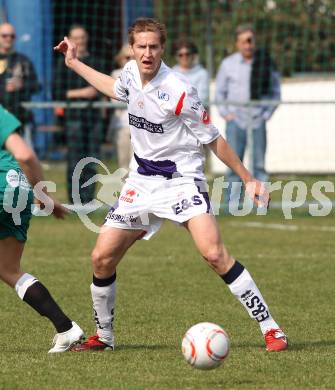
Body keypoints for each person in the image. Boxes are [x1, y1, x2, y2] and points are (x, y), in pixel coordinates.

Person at [54, 17, 287, 352]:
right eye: (141, 47)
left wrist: (249, 178)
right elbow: (113, 87)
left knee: (214, 254)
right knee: (101, 258)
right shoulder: (132, 74)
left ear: (162, 48)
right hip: (140, 183)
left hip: (181, 182)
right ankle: (104, 338)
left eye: (153, 47)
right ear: (131, 49)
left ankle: (272, 330)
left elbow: (213, 139)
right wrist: (74, 62)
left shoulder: (179, 90)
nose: (147, 53)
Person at [0, 105, 84, 353]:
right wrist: (45, 197)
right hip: (19, 190)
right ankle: (66, 328)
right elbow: (24, 156)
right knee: (9, 269)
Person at [215, 24, 281, 205]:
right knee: (234, 165)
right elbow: (219, 93)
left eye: (251, 41)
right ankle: (233, 205)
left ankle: (261, 203)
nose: (248, 45)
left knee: (259, 165)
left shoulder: (265, 62)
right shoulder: (228, 64)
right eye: (245, 41)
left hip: (258, 120)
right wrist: (226, 114)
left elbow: (276, 92)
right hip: (236, 122)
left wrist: (266, 114)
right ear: (237, 43)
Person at [54, 25, 103, 205]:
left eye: (82, 37)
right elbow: (58, 92)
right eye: (76, 38)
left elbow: (102, 87)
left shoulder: (96, 62)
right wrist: (82, 93)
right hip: (73, 118)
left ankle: (88, 201)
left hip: (93, 118)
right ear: (70, 41)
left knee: (91, 160)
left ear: (87, 39)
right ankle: (74, 202)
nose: (80, 41)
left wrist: (91, 92)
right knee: (75, 160)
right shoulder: (63, 64)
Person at [0, 23, 40, 134]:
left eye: (12, 36)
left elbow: (37, 86)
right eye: (4, 35)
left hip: (20, 118)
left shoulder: (23, 60)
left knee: (24, 150)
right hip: (1, 116)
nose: (8, 38)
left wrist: (21, 85)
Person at [108, 44, 133, 169]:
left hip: (143, 126)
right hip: (122, 125)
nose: (130, 61)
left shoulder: (146, 73)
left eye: (134, 57)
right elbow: (116, 100)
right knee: (123, 165)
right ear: (121, 58)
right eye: (127, 57)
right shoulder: (116, 73)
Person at [173, 39, 209, 106]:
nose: (184, 57)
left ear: (193, 55)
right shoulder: (171, 74)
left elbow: (202, 99)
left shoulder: (202, 73)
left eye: (187, 54)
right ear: (176, 57)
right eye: (180, 55)